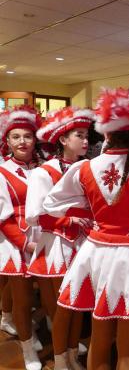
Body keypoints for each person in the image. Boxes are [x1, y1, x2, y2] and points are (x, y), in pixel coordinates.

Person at [42, 87, 129, 370]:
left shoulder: (84, 168)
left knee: (99, 340)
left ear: (105, 133)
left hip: (97, 254)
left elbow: (52, 203)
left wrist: (86, 209)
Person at [26, 107, 94, 370]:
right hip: (57, 244)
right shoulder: (45, 172)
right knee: (62, 309)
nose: (86, 141)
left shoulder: (88, 167)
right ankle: (60, 360)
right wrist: (70, 220)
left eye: (87, 135)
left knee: (79, 306)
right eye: (79, 135)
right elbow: (34, 215)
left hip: (83, 243)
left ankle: (73, 355)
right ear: (63, 140)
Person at [0, 106, 43, 370]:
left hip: (45, 238)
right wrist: (24, 243)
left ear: (35, 139)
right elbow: (2, 218)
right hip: (17, 243)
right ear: (7, 141)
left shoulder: (43, 167)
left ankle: (59, 342)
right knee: (24, 299)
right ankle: (27, 348)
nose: (22, 141)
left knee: (50, 296)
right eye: (16, 137)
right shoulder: (2, 172)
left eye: (27, 136)